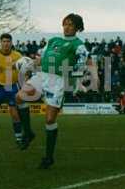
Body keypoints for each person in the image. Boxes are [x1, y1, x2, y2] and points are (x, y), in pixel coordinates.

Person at [16, 13, 88, 169]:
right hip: (41, 76)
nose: (67, 27)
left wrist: (78, 76)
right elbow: (40, 58)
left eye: (70, 24)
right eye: (65, 24)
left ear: (77, 28)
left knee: (49, 120)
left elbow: (82, 62)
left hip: (58, 82)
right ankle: (28, 133)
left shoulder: (78, 44)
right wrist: (29, 65)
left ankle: (48, 158)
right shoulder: (53, 40)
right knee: (19, 97)